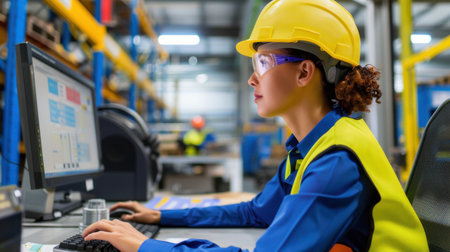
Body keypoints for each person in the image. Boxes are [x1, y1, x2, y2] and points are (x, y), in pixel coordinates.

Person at [82, 0, 428, 251]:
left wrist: (146, 248)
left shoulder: (336, 160)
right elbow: (257, 211)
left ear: (304, 72)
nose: (251, 78)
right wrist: (162, 218)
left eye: (263, 61)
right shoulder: (308, 149)